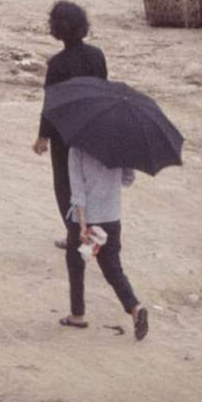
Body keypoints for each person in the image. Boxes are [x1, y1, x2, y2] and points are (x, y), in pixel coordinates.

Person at [33, 1, 107, 249]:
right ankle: (95, 230)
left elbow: (51, 103)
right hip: (93, 127)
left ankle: (75, 233)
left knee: (65, 184)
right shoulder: (97, 56)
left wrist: (43, 136)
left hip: (64, 132)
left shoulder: (57, 64)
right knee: (90, 182)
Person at [59, 146, 148, 341]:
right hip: (111, 216)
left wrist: (82, 225)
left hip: (86, 217)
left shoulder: (77, 147)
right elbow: (128, 179)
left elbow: (78, 190)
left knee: (75, 265)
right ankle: (134, 307)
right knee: (112, 268)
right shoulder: (121, 144)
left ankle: (77, 314)